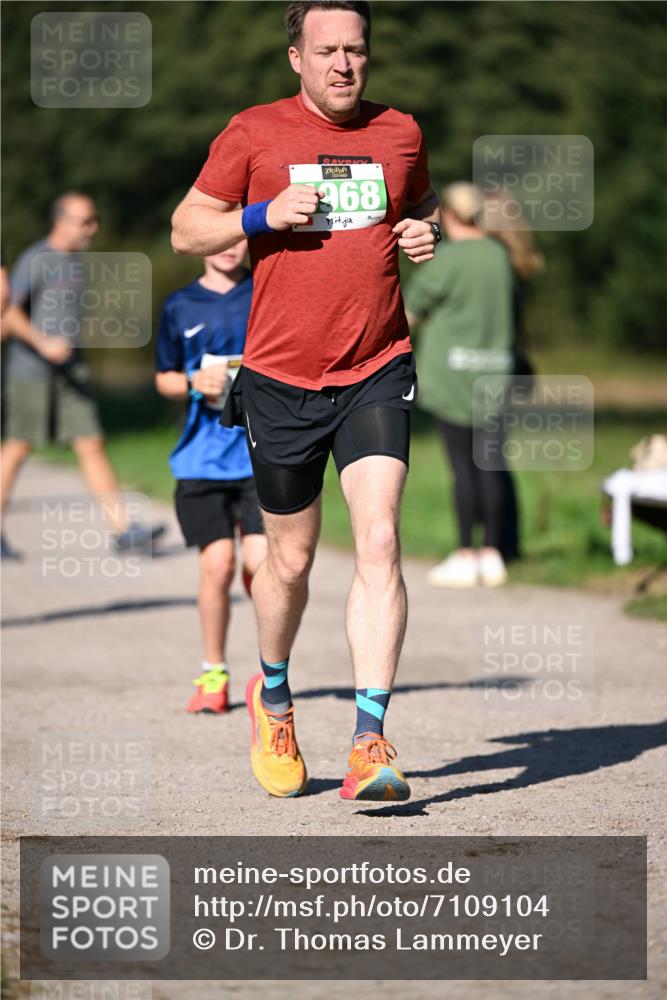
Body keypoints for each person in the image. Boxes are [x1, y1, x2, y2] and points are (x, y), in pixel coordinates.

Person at [171, 0, 439, 801]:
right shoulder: (253, 131)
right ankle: (274, 696)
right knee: (287, 561)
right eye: (326, 51)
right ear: (296, 57)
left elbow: (415, 208)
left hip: (375, 365)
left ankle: (368, 740)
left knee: (381, 540)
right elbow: (187, 229)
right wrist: (260, 215)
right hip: (282, 377)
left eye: (355, 50)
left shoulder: (400, 132)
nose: (343, 66)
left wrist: (422, 234)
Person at [1, 192, 164, 560]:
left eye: (94, 220)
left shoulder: (77, 261)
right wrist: (42, 343)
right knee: (18, 446)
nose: (93, 227)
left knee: (90, 442)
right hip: (31, 369)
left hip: (71, 369)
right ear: (61, 221)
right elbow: (8, 314)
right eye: (86, 220)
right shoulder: (36, 259)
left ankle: (124, 532)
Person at [155, 241, 266, 714]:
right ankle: (213, 672)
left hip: (261, 457)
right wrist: (191, 383)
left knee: (263, 569)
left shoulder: (265, 291)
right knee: (217, 566)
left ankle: (271, 676)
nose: (228, 247)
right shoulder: (180, 305)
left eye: (238, 235)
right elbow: (162, 377)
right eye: (217, 238)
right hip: (201, 461)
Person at [404, 182, 515, 589]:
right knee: (490, 467)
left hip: (452, 378)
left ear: (449, 215)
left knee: (462, 469)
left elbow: (409, 311)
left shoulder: (448, 259)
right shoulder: (500, 256)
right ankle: (493, 554)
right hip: (496, 375)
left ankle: (466, 552)